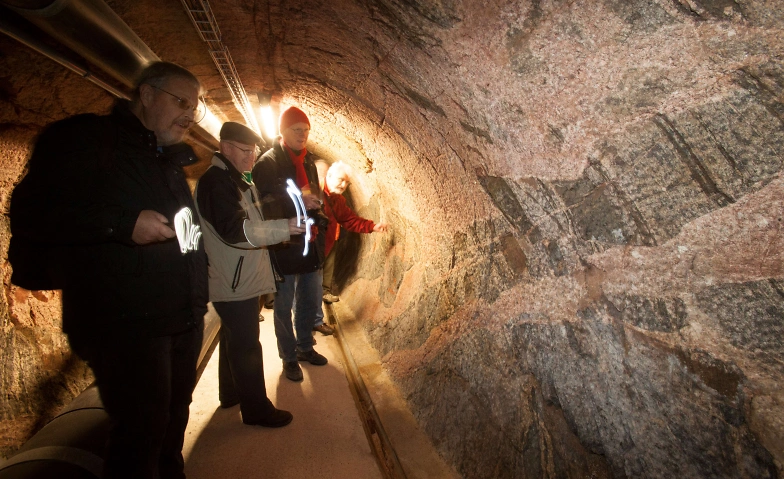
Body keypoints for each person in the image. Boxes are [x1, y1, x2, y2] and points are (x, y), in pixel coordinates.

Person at [8, 62, 209, 479]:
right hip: (126, 323)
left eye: (195, 106)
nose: (190, 113)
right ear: (147, 94)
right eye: (181, 101)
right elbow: (33, 214)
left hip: (181, 317)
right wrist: (122, 224)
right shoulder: (87, 142)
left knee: (173, 421)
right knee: (140, 433)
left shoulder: (168, 161)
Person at [195, 121, 304, 427]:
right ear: (225, 147)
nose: (251, 156)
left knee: (234, 339)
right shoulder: (216, 183)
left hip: (236, 275)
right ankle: (256, 410)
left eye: (253, 149)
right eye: (244, 150)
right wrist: (284, 228)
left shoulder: (233, 179)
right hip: (232, 279)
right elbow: (234, 230)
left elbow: (253, 213)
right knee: (247, 347)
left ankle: (230, 394)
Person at [252, 106, 328, 382]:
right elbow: (263, 205)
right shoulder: (268, 162)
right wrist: (298, 203)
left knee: (308, 300)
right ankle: (288, 357)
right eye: (298, 130)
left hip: (307, 243)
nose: (303, 135)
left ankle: (305, 346)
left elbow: (310, 195)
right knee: (283, 306)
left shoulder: (307, 162)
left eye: (306, 131)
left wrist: (317, 213)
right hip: (283, 244)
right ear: (283, 131)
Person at [312, 161, 388, 336]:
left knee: (314, 287)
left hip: (321, 251)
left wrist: (372, 226)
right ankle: (302, 336)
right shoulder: (313, 193)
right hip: (307, 251)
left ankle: (313, 324)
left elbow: (349, 219)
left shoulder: (337, 200)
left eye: (347, 182)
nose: (343, 185)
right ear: (328, 176)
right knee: (303, 290)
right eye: (340, 180)